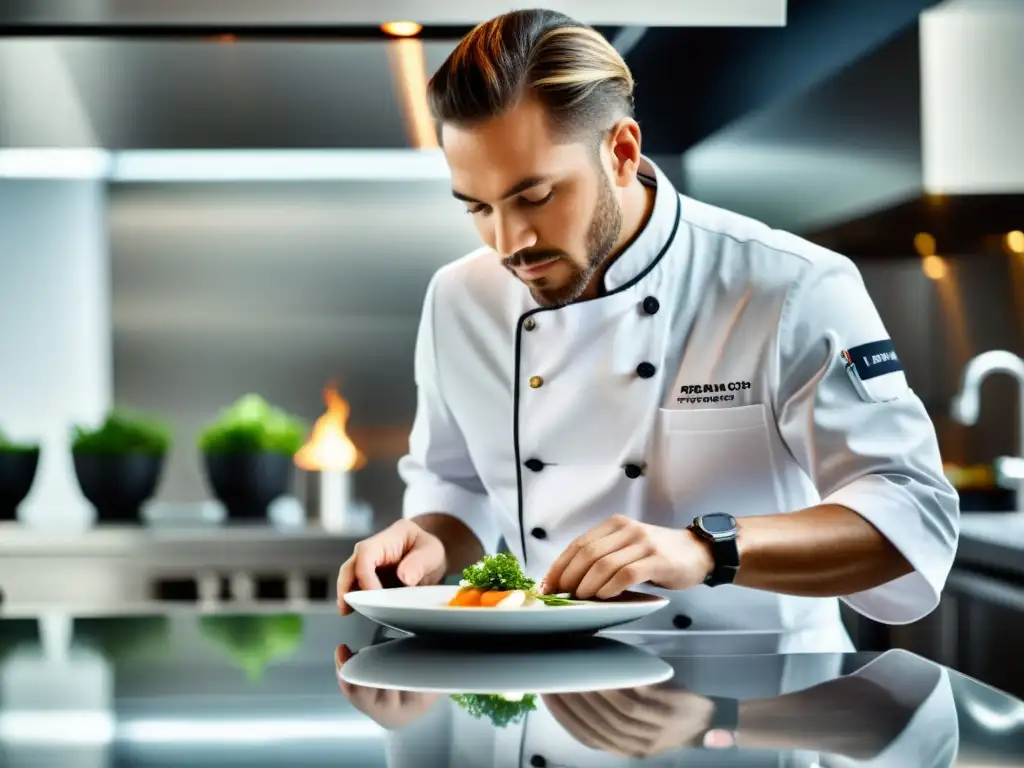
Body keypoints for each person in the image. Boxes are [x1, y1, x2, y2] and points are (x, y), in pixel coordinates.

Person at [336, 8, 960, 651]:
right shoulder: (459, 299)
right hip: (546, 698)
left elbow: (914, 515)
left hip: (762, 706)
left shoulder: (788, 284)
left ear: (621, 152)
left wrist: (708, 548)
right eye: (477, 207)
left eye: (537, 196)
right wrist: (431, 539)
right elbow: (458, 483)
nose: (508, 243)